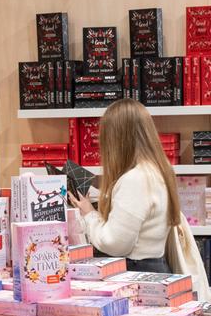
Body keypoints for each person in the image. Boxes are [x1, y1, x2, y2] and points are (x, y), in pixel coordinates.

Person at [68, 98, 181, 274]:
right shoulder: (157, 171)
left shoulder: (134, 179)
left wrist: (89, 215)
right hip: (153, 269)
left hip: (136, 274)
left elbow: (114, 244)